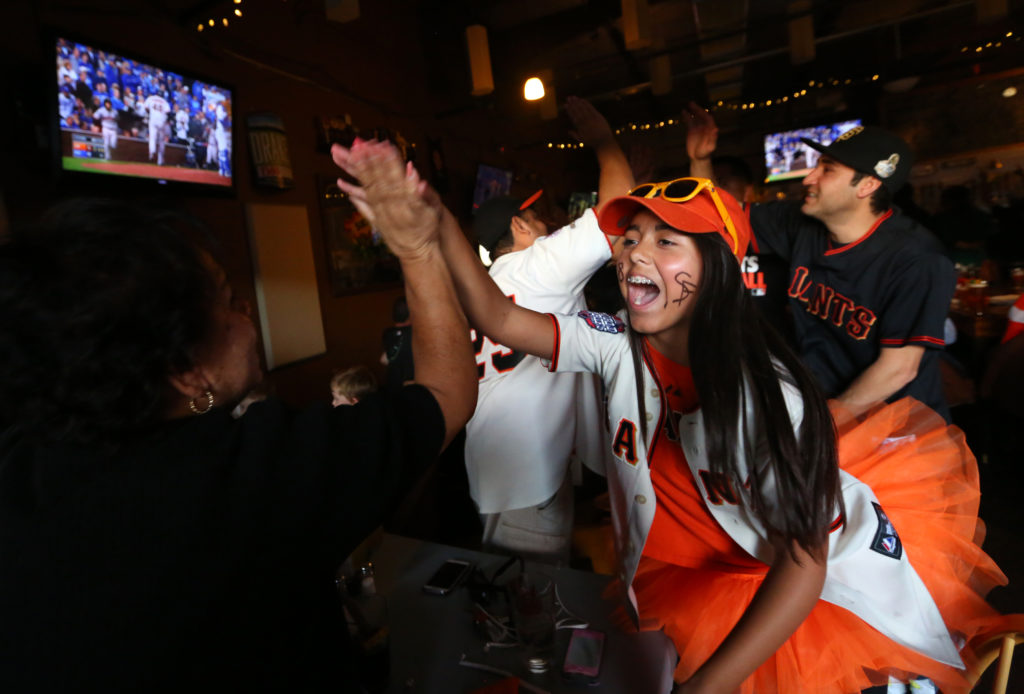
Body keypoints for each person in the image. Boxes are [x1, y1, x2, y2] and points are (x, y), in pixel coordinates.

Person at [336, 142, 1021, 693]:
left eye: (669, 242)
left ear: (719, 270)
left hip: (775, 602)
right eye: (631, 238)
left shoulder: (764, 396)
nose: (636, 252)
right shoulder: (613, 342)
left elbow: (803, 565)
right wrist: (436, 226)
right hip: (673, 577)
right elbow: (496, 314)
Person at [0, 140, 476, 691]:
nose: (246, 315)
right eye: (228, 303)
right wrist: (416, 248)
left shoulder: (17, 468)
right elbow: (446, 390)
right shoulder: (251, 476)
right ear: (186, 370)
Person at [686, 105, 957, 422]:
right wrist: (699, 159)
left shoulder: (917, 259)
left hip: (895, 432)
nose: (808, 178)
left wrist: (819, 428)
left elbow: (898, 368)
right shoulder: (800, 223)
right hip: (824, 406)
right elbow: (719, 219)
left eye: (827, 169)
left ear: (868, 185)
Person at [461, 97, 632, 563]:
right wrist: (603, 141)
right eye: (537, 216)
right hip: (528, 471)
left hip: (494, 463)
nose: (548, 222)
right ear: (518, 226)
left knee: (513, 588)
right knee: (533, 607)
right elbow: (618, 211)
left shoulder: (478, 287)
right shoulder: (536, 264)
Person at [380, 295, 414, 393]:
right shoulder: (413, 333)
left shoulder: (388, 333)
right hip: (411, 390)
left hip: (392, 386)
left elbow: (384, 360)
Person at [143, 89, 170, 165]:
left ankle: (152, 151)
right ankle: (160, 160)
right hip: (161, 121)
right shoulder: (165, 102)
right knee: (161, 141)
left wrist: (151, 112)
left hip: (153, 120)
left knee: (152, 137)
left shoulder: (151, 98)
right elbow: (168, 112)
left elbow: (146, 107)